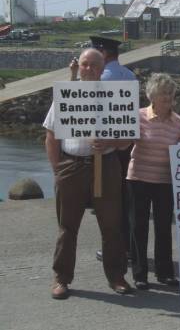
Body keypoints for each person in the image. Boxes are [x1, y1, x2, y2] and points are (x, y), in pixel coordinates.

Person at [44, 48, 132, 300]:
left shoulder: (116, 97)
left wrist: (110, 141)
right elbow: (50, 136)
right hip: (71, 165)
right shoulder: (67, 95)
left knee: (112, 225)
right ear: (78, 66)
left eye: (94, 65)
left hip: (106, 164)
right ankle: (61, 278)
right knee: (67, 226)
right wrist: (57, 168)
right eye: (85, 64)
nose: (89, 69)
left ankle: (116, 277)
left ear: (103, 68)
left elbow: (127, 141)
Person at [127, 73, 180, 290]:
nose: (168, 97)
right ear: (152, 96)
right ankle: (140, 274)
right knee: (138, 227)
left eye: (170, 93)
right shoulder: (138, 116)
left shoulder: (178, 122)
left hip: (165, 181)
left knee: (163, 228)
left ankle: (165, 273)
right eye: (164, 93)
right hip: (139, 178)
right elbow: (124, 143)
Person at [85, 36, 137, 263]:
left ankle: (114, 249)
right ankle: (128, 246)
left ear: (104, 53)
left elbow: (85, 104)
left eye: (97, 52)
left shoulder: (102, 78)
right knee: (126, 198)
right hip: (126, 142)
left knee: (108, 201)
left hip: (107, 147)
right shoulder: (130, 75)